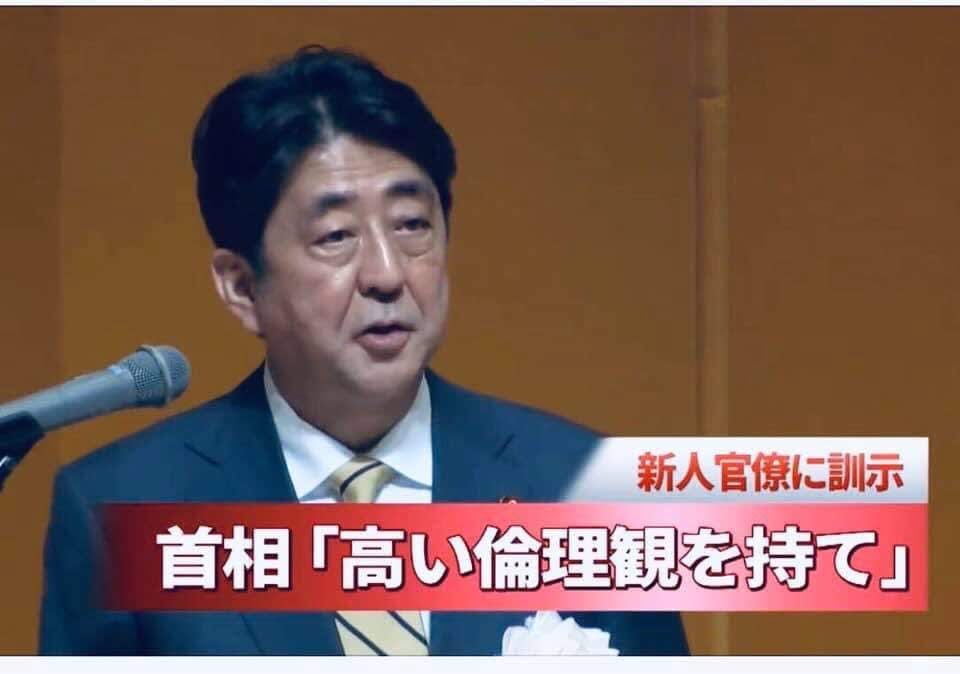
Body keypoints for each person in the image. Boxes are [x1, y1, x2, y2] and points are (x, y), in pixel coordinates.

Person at [38, 46, 688, 655]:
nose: (386, 273)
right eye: (336, 236)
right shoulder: (120, 512)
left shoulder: (587, 491)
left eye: (412, 226)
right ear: (241, 286)